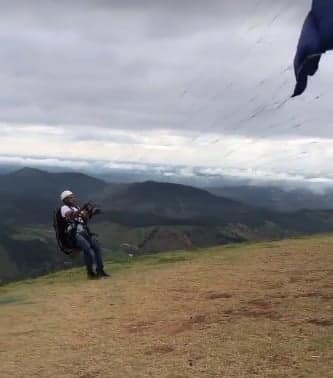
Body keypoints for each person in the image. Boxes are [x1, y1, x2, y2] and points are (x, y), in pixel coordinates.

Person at [60, 190, 110, 279]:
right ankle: (91, 273)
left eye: (73, 197)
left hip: (84, 231)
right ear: (65, 200)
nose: (73, 199)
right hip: (75, 234)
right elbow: (72, 216)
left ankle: (100, 271)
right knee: (88, 249)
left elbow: (84, 219)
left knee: (97, 248)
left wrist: (91, 212)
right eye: (71, 197)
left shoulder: (76, 207)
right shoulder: (64, 208)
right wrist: (82, 209)